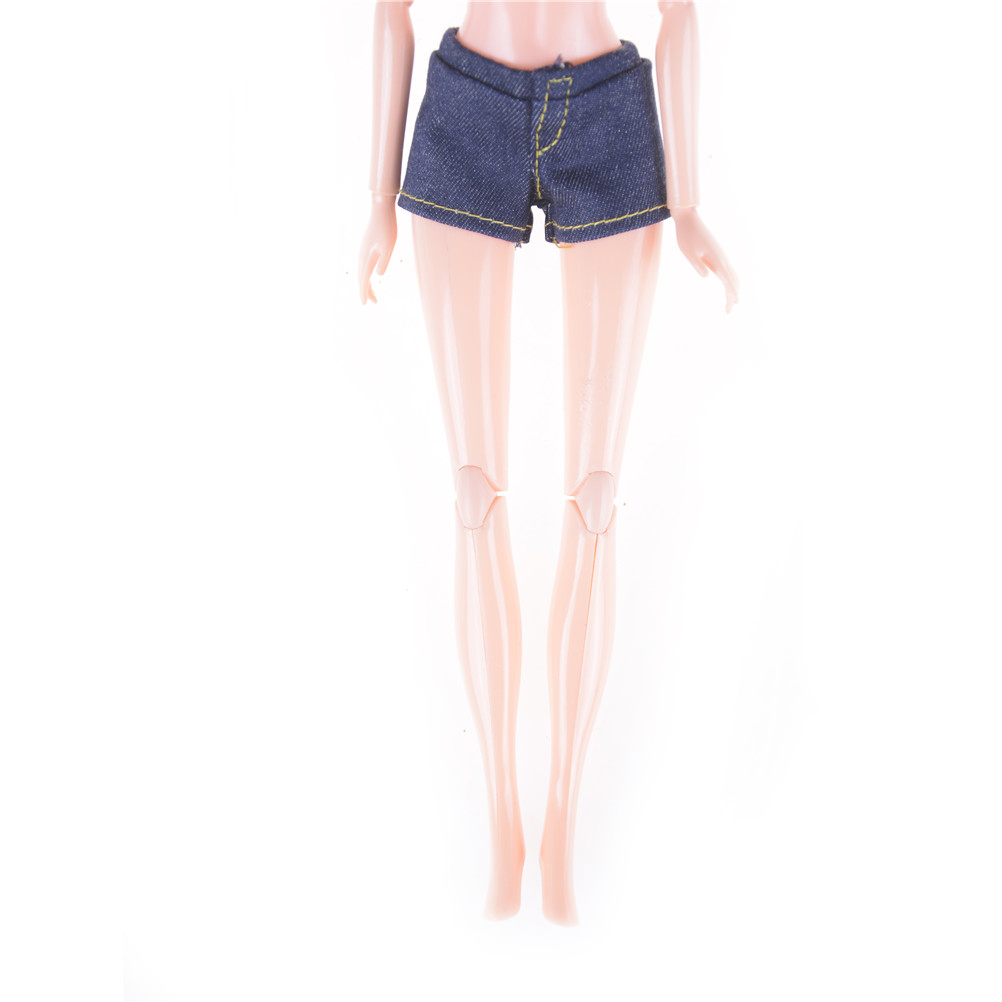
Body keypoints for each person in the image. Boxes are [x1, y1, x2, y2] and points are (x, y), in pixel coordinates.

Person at [357, 0, 738, 924]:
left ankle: (560, 815)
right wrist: (376, 199)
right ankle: (502, 815)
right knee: (473, 496)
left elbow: (680, 10)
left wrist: (688, 204)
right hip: (467, 106)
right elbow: (389, 9)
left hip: (607, 109)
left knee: (595, 501)